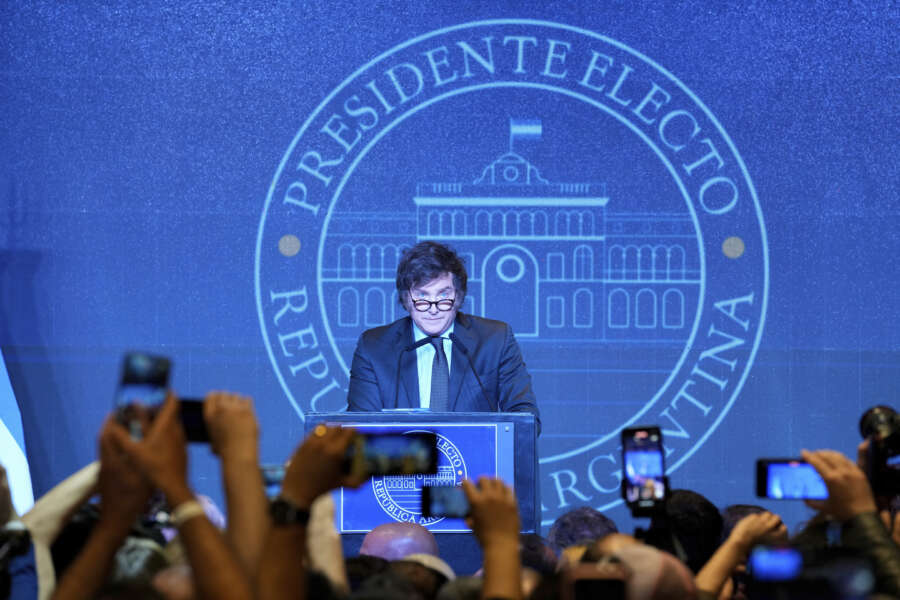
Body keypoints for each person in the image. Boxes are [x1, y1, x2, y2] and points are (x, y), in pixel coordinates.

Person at [346, 241, 540, 431]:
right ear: (406, 298)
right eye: (422, 296)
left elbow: (526, 421)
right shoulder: (374, 347)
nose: (433, 308)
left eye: (443, 295)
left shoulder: (495, 340)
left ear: (459, 296)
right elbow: (360, 430)